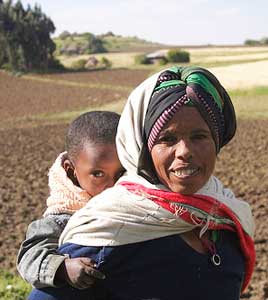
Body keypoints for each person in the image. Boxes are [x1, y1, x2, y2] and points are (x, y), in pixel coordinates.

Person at [30, 66, 255, 300]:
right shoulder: (108, 232)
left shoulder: (229, 218)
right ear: (143, 149)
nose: (185, 151)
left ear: (216, 141)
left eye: (199, 136)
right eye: (167, 139)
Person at [17, 111, 125, 292]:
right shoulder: (63, 218)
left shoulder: (135, 203)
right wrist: (62, 268)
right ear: (70, 170)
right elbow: (29, 257)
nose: (112, 185)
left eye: (121, 173)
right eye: (98, 174)